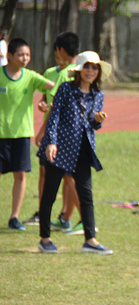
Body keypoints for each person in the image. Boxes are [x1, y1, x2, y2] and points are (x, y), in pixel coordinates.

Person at [37, 51, 113, 254]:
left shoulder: (98, 94)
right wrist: (51, 143)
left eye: (95, 67)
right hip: (60, 150)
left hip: (83, 151)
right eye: (87, 67)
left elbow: (91, 126)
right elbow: (53, 118)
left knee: (86, 196)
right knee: (50, 195)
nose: (91, 71)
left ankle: (91, 240)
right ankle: (45, 238)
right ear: (79, 70)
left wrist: (97, 121)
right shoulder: (65, 89)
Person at [24, 32, 82, 235]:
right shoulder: (51, 72)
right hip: (59, 131)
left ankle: (83, 218)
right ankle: (64, 217)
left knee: (65, 175)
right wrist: (42, 105)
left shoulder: (74, 74)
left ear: (61, 50)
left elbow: (57, 108)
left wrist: (41, 132)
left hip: (59, 132)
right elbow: (48, 102)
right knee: (56, 174)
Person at [0, 38, 54, 231]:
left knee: (20, 175)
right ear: (10, 56)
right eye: (21, 55)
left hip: (22, 134)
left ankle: (14, 217)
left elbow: (53, 86)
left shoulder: (30, 76)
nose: (25, 58)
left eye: (28, 55)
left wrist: (44, 102)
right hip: (1, 134)